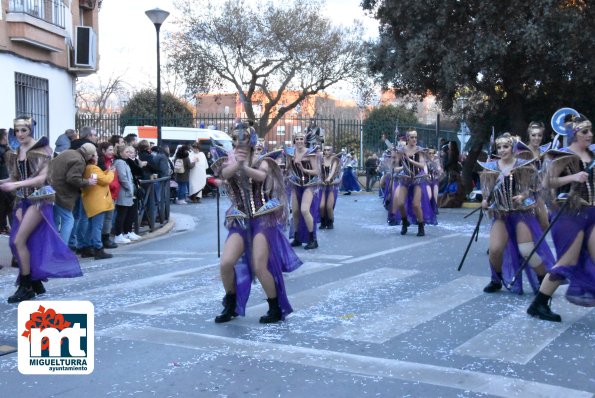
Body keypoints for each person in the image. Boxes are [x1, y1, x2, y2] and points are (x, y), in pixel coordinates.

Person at [211, 122, 302, 324]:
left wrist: (244, 166)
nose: (238, 146)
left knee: (260, 266)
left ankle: (274, 307)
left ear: (251, 143)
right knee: (226, 263)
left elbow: (261, 176)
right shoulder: (229, 161)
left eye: (242, 142)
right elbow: (224, 174)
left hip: (262, 217)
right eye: (235, 142)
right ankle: (231, 304)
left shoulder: (263, 161)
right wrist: (237, 164)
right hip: (240, 218)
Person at [0, 116, 81, 303]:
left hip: (39, 199)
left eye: (24, 130)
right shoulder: (15, 152)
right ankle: (35, 280)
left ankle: (26, 285)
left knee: (19, 241)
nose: (19, 134)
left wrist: (16, 184)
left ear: (30, 130)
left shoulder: (43, 150)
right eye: (17, 130)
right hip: (22, 200)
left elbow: (41, 179)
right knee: (21, 242)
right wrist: (5, 183)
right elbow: (13, 179)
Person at [527, 114, 594, 322]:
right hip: (569, 216)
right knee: (567, 261)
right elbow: (547, 182)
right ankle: (539, 303)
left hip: (592, 213)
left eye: (591, 130)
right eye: (584, 132)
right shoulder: (562, 155)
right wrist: (574, 177)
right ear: (573, 135)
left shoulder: (592, 154)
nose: (590, 135)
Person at [479, 133, 554, 295]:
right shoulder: (491, 167)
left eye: (505, 146)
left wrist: (523, 195)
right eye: (499, 147)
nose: (502, 150)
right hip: (501, 213)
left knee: (527, 250)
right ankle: (496, 279)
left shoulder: (524, 165)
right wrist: (484, 201)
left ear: (512, 148)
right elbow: (487, 192)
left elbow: (535, 187)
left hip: (521, 214)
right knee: (495, 250)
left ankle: (543, 279)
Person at [389, 130, 437, 236]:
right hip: (405, 179)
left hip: (418, 179)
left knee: (416, 204)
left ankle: (421, 226)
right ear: (407, 138)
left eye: (415, 137)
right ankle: (405, 222)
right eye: (412, 137)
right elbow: (395, 168)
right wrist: (402, 168)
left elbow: (422, 165)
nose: (414, 139)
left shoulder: (419, 150)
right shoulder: (400, 151)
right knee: (400, 203)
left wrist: (410, 161)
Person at [50, 143, 98, 244]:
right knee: (68, 220)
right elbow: (72, 178)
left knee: (54, 220)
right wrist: (87, 182)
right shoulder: (80, 161)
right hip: (63, 193)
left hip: (52, 189)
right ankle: (62, 249)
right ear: (89, 155)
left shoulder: (67, 152)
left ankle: (52, 246)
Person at [285, 132, 321, 249]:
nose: (299, 141)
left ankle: (312, 240)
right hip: (296, 184)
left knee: (305, 210)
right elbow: (288, 168)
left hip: (309, 184)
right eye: (297, 139)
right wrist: (285, 172)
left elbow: (316, 172)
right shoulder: (290, 153)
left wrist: (303, 169)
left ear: (304, 140)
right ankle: (297, 238)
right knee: (295, 212)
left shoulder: (310, 153)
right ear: (294, 141)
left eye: (301, 139)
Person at [78, 147, 115, 260]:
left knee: (91, 226)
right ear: (92, 157)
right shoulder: (93, 168)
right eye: (97, 156)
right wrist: (111, 172)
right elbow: (105, 180)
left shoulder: (88, 168)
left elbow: (100, 177)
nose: (98, 157)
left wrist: (106, 172)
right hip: (97, 201)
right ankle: (98, 248)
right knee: (97, 226)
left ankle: (86, 247)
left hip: (91, 200)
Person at [113, 145, 140, 244]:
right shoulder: (120, 162)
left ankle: (127, 232)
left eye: (129, 152)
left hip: (128, 191)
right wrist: (130, 189)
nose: (129, 154)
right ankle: (118, 234)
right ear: (120, 153)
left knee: (129, 213)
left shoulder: (124, 162)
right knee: (122, 214)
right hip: (124, 192)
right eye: (126, 152)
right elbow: (123, 178)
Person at [319, 145, 340, 229]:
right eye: (325, 150)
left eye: (328, 150)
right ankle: (323, 221)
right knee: (321, 206)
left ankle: (330, 222)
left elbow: (333, 171)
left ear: (331, 151)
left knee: (329, 207)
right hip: (322, 185)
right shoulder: (320, 160)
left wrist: (329, 178)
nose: (326, 151)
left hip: (332, 185)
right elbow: (318, 171)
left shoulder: (334, 160)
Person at [0, 129, 15, 235]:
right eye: (6, 135)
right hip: (3, 180)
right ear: (3, 136)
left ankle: (5, 226)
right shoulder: (2, 150)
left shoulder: (7, 148)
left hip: (7, 180)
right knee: (6, 205)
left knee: (7, 205)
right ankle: (5, 227)